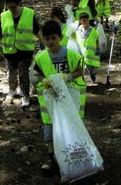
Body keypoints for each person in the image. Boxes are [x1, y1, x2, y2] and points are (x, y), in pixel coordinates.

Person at [33, 20, 86, 174]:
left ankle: (72, 159)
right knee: (49, 131)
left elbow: (79, 70)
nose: (50, 42)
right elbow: (38, 72)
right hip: (50, 101)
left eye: (53, 38)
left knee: (68, 129)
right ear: (43, 39)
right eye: (47, 39)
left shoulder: (70, 54)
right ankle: (54, 160)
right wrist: (43, 79)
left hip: (68, 98)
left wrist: (68, 76)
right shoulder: (41, 57)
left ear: (60, 37)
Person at [0, 0, 41, 108]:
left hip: (25, 51)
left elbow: (37, 30)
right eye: (9, 7)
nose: (12, 9)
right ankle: (12, 90)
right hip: (9, 50)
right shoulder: (4, 16)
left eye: (14, 6)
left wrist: (43, 43)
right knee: (11, 72)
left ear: (18, 4)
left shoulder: (29, 14)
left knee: (23, 73)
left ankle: (25, 95)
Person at [76, 13, 100, 84]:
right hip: (81, 53)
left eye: (86, 20)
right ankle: (83, 81)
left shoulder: (93, 30)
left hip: (91, 54)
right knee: (82, 68)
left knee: (92, 68)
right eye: (83, 20)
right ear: (80, 21)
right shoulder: (77, 31)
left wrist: (98, 48)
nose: (85, 22)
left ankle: (92, 74)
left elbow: (97, 40)